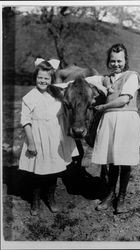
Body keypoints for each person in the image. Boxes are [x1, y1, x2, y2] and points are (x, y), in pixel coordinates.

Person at [19, 58, 78, 216]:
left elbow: (72, 87)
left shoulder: (57, 94)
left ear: (51, 80)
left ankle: (51, 198)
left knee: (53, 171)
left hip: (54, 138)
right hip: (37, 138)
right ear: (35, 78)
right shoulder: (29, 97)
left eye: (46, 78)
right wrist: (31, 143)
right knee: (38, 172)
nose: (43, 81)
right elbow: (25, 121)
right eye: (40, 77)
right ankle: (36, 201)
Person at [91, 43, 140, 213]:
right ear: (108, 61)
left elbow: (123, 100)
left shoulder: (132, 76)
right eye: (112, 61)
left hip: (126, 120)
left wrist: (102, 107)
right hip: (110, 121)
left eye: (119, 61)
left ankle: (122, 197)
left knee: (125, 161)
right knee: (113, 159)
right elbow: (83, 80)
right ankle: (110, 194)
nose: (116, 64)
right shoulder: (105, 78)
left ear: (125, 60)